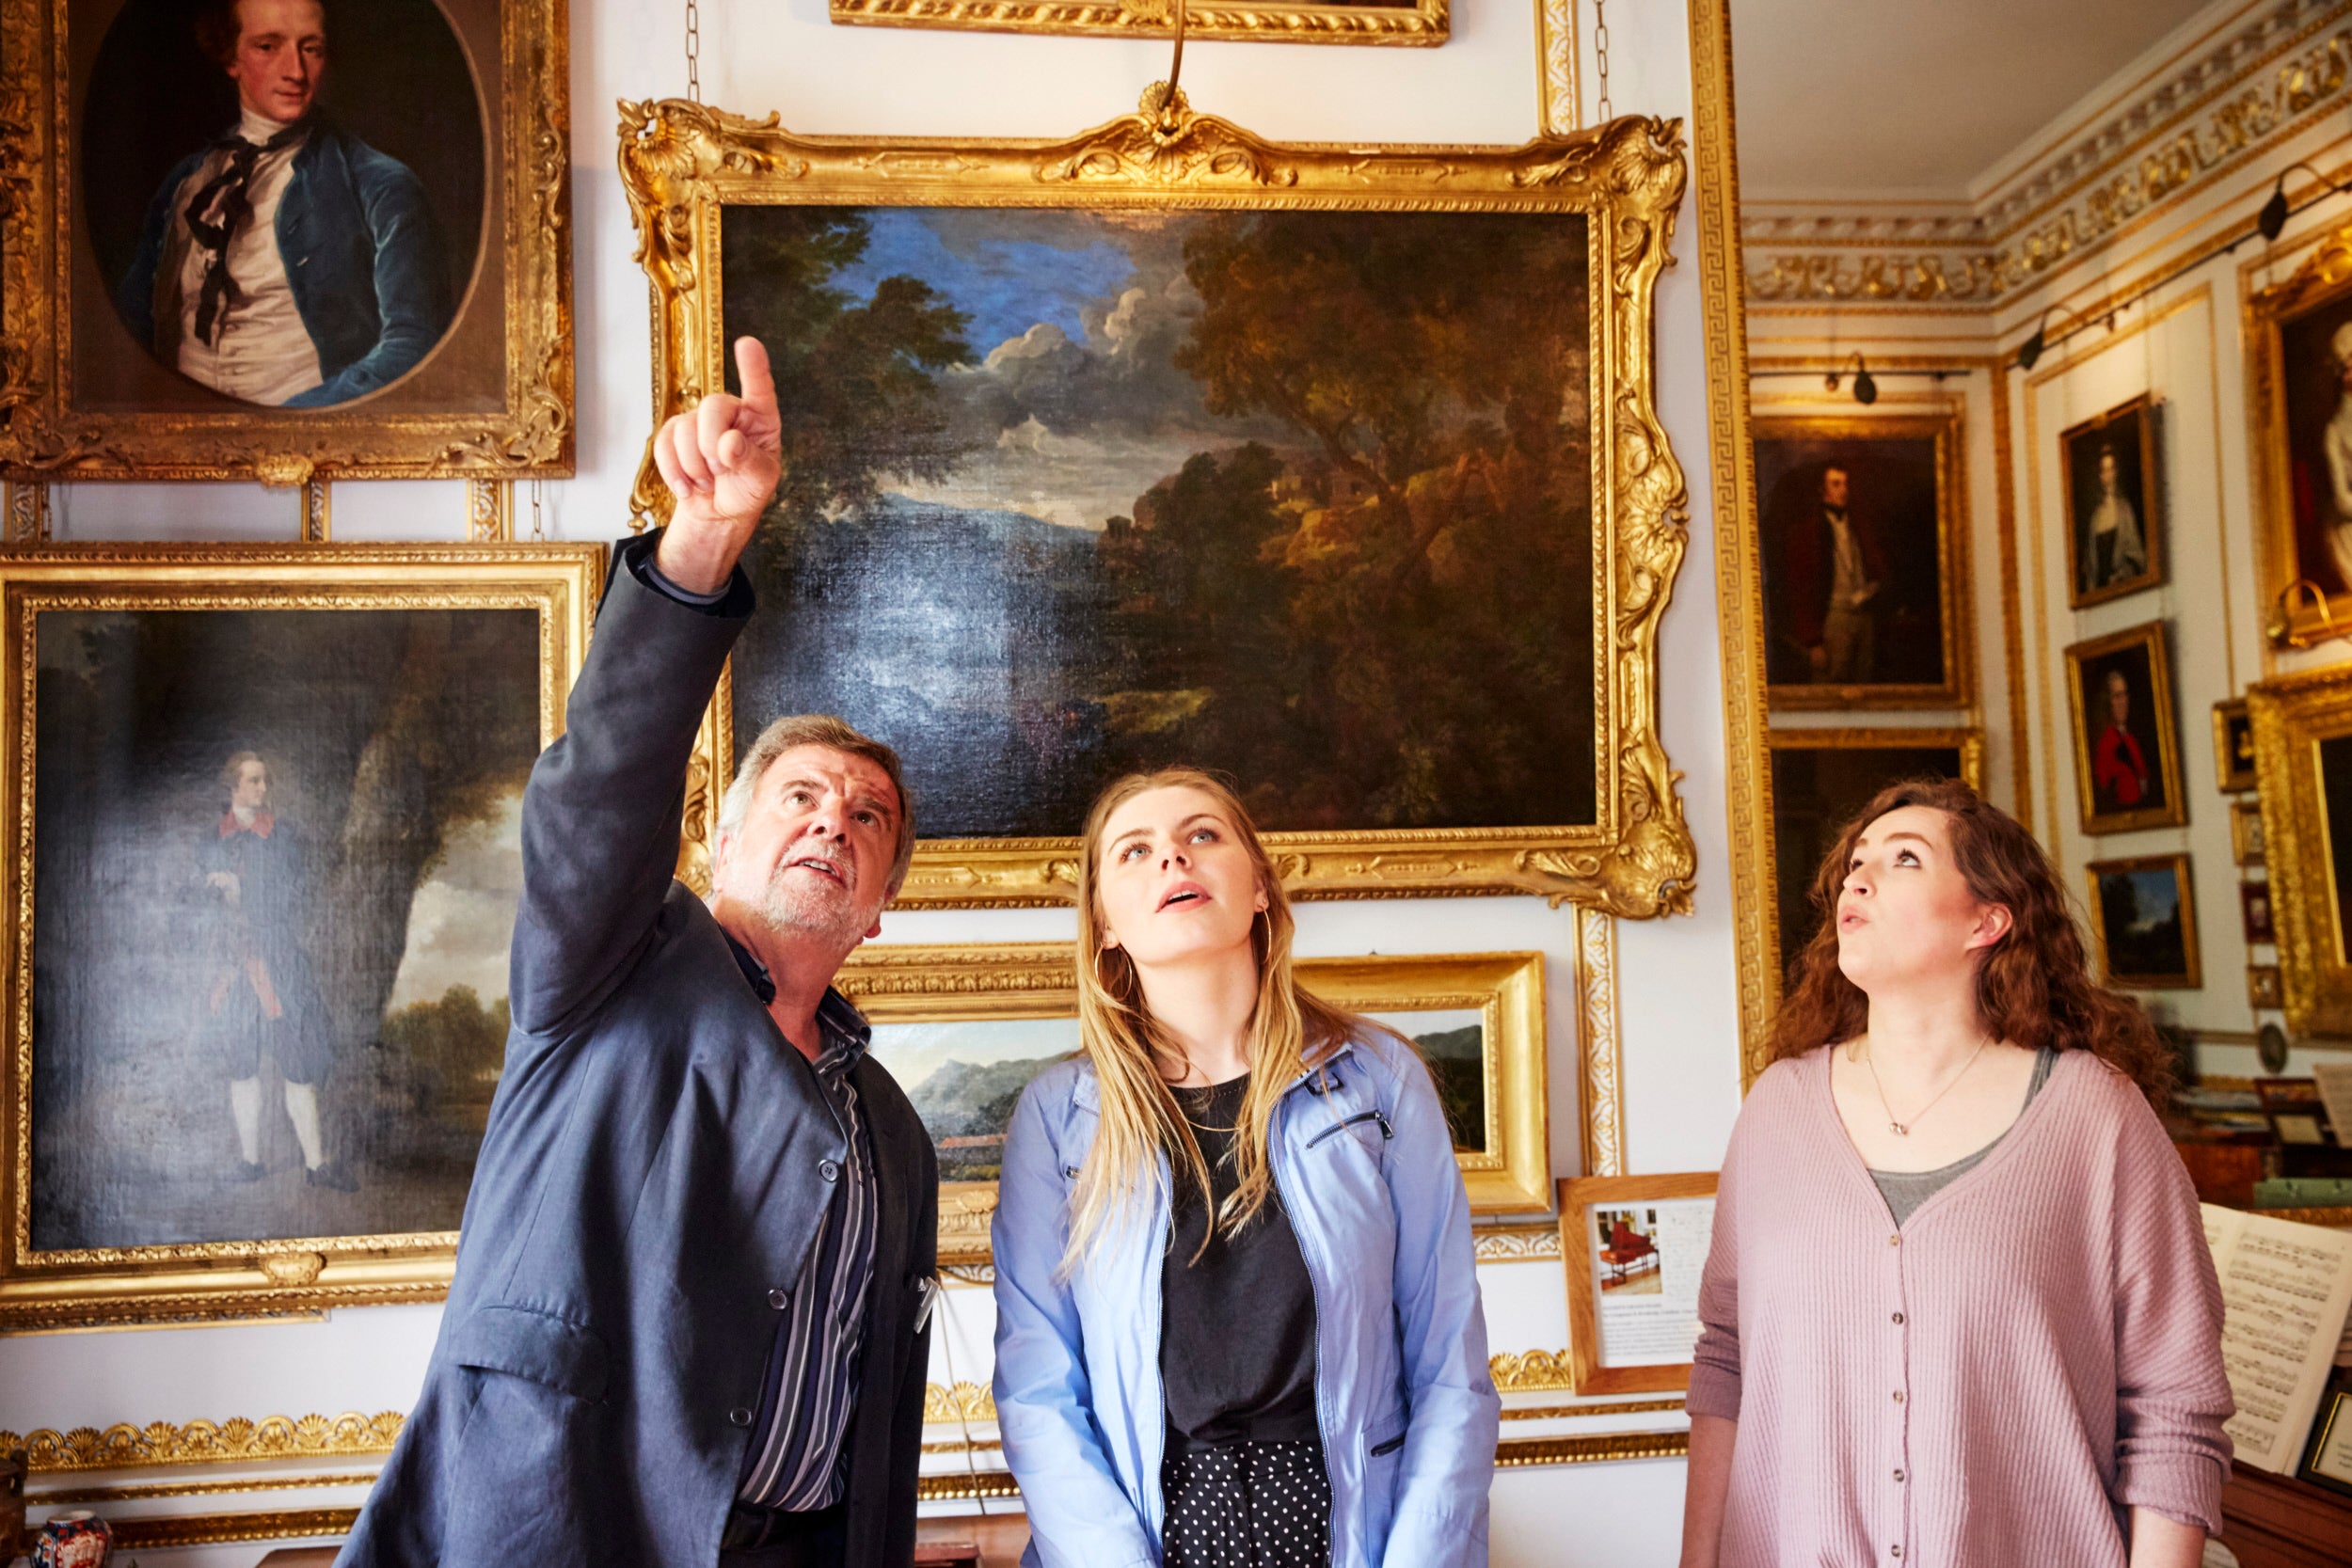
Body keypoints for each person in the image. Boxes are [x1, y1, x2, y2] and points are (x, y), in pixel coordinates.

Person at [335, 337, 939, 1568]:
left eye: (868, 817)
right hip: (554, 1526)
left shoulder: (891, 1126)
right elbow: (601, 780)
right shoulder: (607, 963)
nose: (834, 819)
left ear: (877, 904)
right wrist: (703, 541)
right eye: (803, 796)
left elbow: (881, 1405)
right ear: (720, 842)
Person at [1679, 778, 2231, 1568]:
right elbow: (1726, 1359)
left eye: (1904, 858)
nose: (1857, 878)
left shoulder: (2096, 1120)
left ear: (1988, 919)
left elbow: (2176, 1408)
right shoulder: (1777, 1111)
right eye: (1855, 861)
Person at [991, 768, 1499, 1568]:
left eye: (1202, 835)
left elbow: (1450, 1367)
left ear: (1259, 886)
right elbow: (1037, 1391)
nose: (1172, 860)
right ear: (1104, 926)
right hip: (1150, 1537)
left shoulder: (1379, 1078)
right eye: (1135, 850)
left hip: (1352, 1533)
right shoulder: (1058, 1116)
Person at [116, 0, 449, 408]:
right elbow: (130, 324)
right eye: (268, 46)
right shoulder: (187, 183)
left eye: (311, 48)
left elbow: (413, 345)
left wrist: (285, 425)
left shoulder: (381, 185)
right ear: (229, 57)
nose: (295, 71)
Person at [199, 750, 355, 1191]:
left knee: (297, 1063)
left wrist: (242, 889)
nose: (263, 789)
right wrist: (213, 892)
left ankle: (316, 1165)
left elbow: (296, 896)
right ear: (233, 787)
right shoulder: (211, 840)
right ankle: (250, 1161)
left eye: (265, 781)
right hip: (231, 970)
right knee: (241, 1065)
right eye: (253, 781)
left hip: (279, 965)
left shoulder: (283, 838)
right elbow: (192, 906)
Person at [1771, 464, 1886, 684]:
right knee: (1830, 685)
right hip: (1834, 619)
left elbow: (1877, 568)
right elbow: (1800, 590)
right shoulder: (1806, 533)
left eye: (1845, 484)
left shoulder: (1860, 526)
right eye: (1835, 484)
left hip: (1865, 618)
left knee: (1866, 685)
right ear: (1822, 490)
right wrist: (1813, 642)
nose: (1843, 490)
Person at [2082, 443, 2149, 590]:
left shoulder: (2124, 510)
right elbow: (2091, 568)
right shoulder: (2095, 518)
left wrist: (2122, 575)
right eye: (2104, 470)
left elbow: (2138, 558)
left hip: (2122, 589)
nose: (2108, 475)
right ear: (2100, 476)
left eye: (2111, 469)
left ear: (2116, 472)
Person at [2092, 668, 2154, 811]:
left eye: (2125, 694)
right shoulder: (2106, 744)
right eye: (2117, 696)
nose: (2123, 701)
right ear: (2108, 702)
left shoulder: (2130, 739)